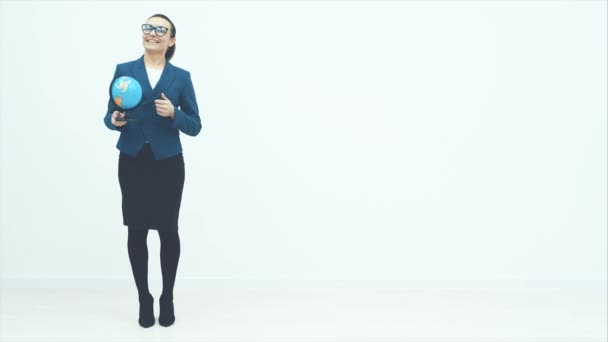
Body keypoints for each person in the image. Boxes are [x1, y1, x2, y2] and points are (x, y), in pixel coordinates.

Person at [103, 14, 202, 328]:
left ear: (171, 40)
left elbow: (196, 125)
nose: (153, 33)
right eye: (148, 27)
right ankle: (144, 297)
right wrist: (115, 120)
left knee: (168, 230)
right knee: (136, 230)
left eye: (161, 29)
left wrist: (175, 114)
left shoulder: (181, 77)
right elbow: (109, 116)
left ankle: (167, 296)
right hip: (132, 160)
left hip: (168, 163)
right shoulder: (124, 71)